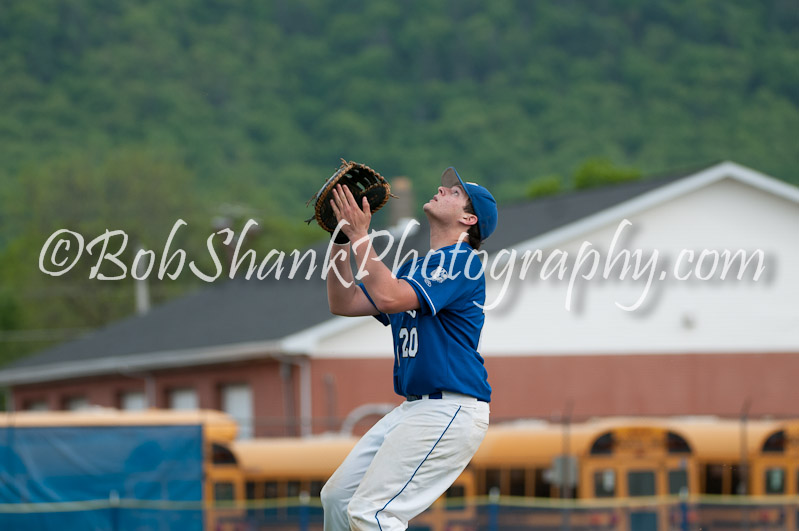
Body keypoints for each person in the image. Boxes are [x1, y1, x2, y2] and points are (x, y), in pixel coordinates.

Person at [320, 167, 498, 531]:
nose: (442, 189)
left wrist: (360, 236)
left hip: (450, 408)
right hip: (415, 409)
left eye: (454, 192)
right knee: (337, 498)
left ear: (469, 218)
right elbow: (344, 301)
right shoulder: (417, 267)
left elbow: (387, 297)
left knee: (373, 514)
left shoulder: (462, 262)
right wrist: (341, 240)